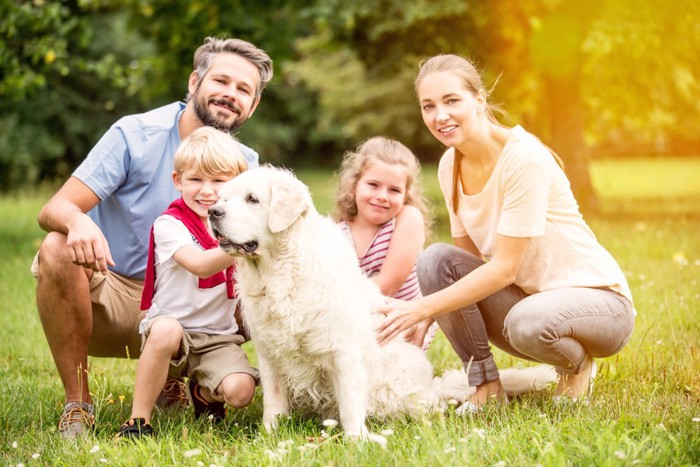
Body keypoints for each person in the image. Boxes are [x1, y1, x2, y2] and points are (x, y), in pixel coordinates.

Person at [33, 36, 272, 438]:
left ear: (253, 105)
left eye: (243, 90)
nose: (230, 95)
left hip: (201, 307)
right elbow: (52, 209)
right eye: (222, 81)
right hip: (121, 296)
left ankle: (194, 381)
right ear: (195, 81)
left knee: (273, 282)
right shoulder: (135, 134)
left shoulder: (245, 162)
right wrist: (79, 222)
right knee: (56, 248)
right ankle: (78, 404)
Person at [376, 54, 635, 413]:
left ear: (479, 100)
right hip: (529, 304)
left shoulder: (522, 159)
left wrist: (420, 308)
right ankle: (486, 386)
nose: (440, 116)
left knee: (526, 321)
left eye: (452, 101)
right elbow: (464, 266)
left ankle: (576, 365)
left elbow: (503, 269)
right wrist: (435, 312)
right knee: (436, 259)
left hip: (600, 306)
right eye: (428, 106)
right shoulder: (450, 165)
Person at [116, 127, 257, 439]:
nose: (206, 190)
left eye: (218, 181)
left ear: (236, 182)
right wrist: (245, 246)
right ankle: (138, 421)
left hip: (216, 336)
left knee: (242, 392)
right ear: (177, 181)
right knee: (167, 330)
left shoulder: (244, 226)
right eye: (195, 180)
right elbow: (200, 264)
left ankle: (204, 393)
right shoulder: (170, 224)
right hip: (169, 334)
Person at [333, 136, 437, 350]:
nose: (382, 196)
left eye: (394, 190)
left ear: (406, 194)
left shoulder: (407, 219)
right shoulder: (339, 232)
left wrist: (338, 302)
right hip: (357, 317)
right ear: (354, 185)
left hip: (401, 321)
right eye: (373, 185)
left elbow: (388, 284)